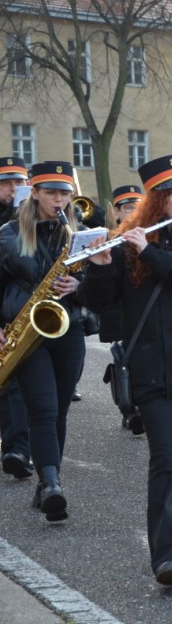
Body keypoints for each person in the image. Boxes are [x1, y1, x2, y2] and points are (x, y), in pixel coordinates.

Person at [78, 154, 172, 584]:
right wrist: (99, 268)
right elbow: (101, 304)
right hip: (152, 366)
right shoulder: (126, 244)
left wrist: (153, 253)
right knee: (166, 458)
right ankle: (168, 556)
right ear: (156, 200)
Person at [0, 161, 85, 521]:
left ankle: (48, 480)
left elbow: (104, 290)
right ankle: (51, 483)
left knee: (60, 409)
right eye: (50, 192)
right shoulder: (7, 235)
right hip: (25, 329)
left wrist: (80, 285)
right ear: (34, 192)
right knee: (44, 410)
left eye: (64, 193)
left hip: (68, 329)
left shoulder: (81, 234)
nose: (58, 200)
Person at [101, 184, 145, 435]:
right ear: (117, 211)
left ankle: (139, 407)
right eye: (128, 207)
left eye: (137, 206)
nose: (133, 212)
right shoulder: (110, 238)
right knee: (124, 360)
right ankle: (128, 408)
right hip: (120, 311)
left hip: (142, 308)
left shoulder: (149, 234)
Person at [0, 156, 32, 480]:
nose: (13, 189)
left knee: (15, 382)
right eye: (6, 183)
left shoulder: (32, 216)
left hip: (21, 308)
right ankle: (16, 446)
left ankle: (17, 448)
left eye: (19, 183)